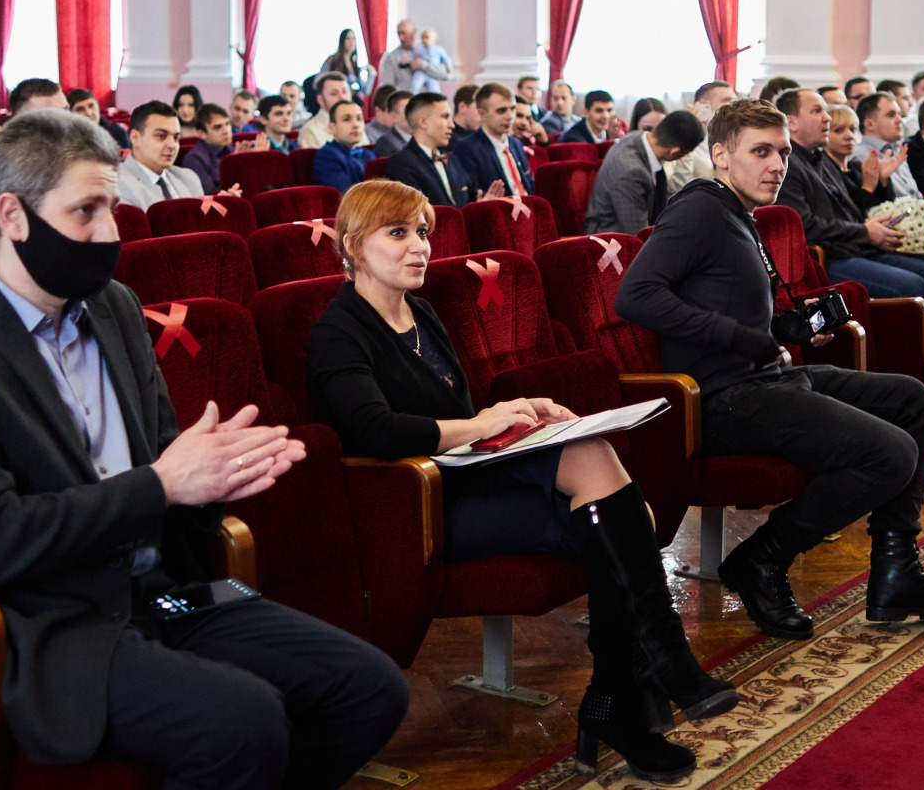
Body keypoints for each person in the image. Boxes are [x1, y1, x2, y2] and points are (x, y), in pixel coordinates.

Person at [0, 109, 407, 780]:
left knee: (369, 689)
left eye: (113, 207)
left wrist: (216, 479)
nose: (110, 233)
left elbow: (162, 461)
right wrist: (165, 485)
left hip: (167, 591)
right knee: (244, 721)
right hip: (56, 628)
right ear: (11, 215)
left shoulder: (114, 304)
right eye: (85, 212)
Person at [309, 180, 737, 781]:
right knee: (623, 525)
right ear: (352, 245)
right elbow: (377, 432)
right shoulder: (339, 329)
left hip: (471, 473)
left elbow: (454, 406)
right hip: (419, 503)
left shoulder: (419, 311)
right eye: (398, 233)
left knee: (613, 495)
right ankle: (643, 678)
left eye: (424, 232)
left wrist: (520, 407)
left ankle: (626, 689)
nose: (419, 248)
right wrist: (481, 422)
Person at [617, 98, 924, 641]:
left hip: (766, 379)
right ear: (720, 154)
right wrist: (744, 338)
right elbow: (637, 296)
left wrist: (788, 328)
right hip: (720, 398)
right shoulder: (698, 208)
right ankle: (761, 558)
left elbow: (732, 303)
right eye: (760, 151)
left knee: (911, 400)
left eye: (783, 152)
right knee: (890, 452)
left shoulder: (736, 209)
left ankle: (895, 573)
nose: (777, 165)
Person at [773, 89, 924, 300]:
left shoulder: (820, 159)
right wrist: (865, 232)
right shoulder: (787, 166)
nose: (826, 117)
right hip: (831, 258)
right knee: (913, 285)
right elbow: (804, 226)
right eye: (817, 111)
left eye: (825, 111)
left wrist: (881, 183)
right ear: (792, 123)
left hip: (858, 248)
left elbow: (854, 204)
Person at [584, 111, 703, 235]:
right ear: (674, 152)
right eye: (685, 154)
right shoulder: (631, 172)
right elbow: (639, 234)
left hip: (633, 225)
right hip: (609, 237)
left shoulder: (639, 137)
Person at [386, 93, 491, 207]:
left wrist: (485, 202)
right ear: (423, 122)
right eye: (445, 117)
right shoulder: (401, 163)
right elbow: (417, 213)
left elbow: (474, 194)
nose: (452, 125)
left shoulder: (451, 159)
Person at [116, 101, 214, 209]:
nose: (172, 145)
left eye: (176, 138)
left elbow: (202, 223)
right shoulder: (117, 185)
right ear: (135, 138)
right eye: (161, 136)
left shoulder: (188, 177)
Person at [451, 83, 535, 198]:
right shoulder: (467, 148)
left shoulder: (515, 143)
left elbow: (529, 185)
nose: (510, 116)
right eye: (501, 111)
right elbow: (473, 193)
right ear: (482, 114)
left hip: (528, 207)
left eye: (512, 109)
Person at [851, 92, 920, 200]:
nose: (899, 120)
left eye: (899, 114)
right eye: (891, 115)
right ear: (869, 124)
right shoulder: (862, 157)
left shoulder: (896, 149)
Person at [312, 101, 374, 194]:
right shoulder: (326, 156)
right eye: (346, 119)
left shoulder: (368, 154)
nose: (356, 125)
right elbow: (348, 193)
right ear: (332, 128)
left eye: (359, 118)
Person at [182, 104, 242, 196]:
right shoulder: (194, 159)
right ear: (202, 133)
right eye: (218, 127)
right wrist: (235, 166)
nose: (226, 131)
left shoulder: (232, 149)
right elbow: (210, 196)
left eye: (227, 124)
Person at [297, 73, 368, 149]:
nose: (342, 98)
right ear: (320, 100)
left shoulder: (357, 123)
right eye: (334, 94)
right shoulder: (310, 131)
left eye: (345, 92)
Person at [380, 19, 447, 94]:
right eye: (398, 33)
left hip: (428, 100)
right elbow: (387, 86)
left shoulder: (431, 51)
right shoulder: (391, 57)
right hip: (406, 100)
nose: (401, 37)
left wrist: (424, 66)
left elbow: (446, 75)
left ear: (414, 32)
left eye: (404, 33)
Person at [316, 29, 367, 109]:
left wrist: (372, 74)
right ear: (342, 41)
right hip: (335, 104)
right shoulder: (332, 61)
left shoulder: (354, 63)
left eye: (353, 39)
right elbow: (317, 82)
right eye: (348, 39)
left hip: (352, 102)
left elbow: (365, 91)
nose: (351, 42)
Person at [68, 88, 132, 150]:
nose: (88, 113)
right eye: (80, 109)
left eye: (91, 106)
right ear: (70, 113)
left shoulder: (117, 133)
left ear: (98, 106)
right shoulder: (66, 139)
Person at [372, 92, 415, 159]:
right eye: (409, 111)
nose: (415, 115)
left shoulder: (422, 138)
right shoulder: (385, 145)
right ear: (394, 116)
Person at [412, 28, 454, 94]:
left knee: (434, 88)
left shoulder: (439, 49)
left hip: (433, 72)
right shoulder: (419, 49)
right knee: (415, 84)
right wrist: (411, 62)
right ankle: (412, 95)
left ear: (434, 40)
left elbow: (446, 58)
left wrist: (449, 65)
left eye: (427, 37)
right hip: (421, 71)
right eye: (422, 38)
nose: (424, 40)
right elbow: (414, 59)